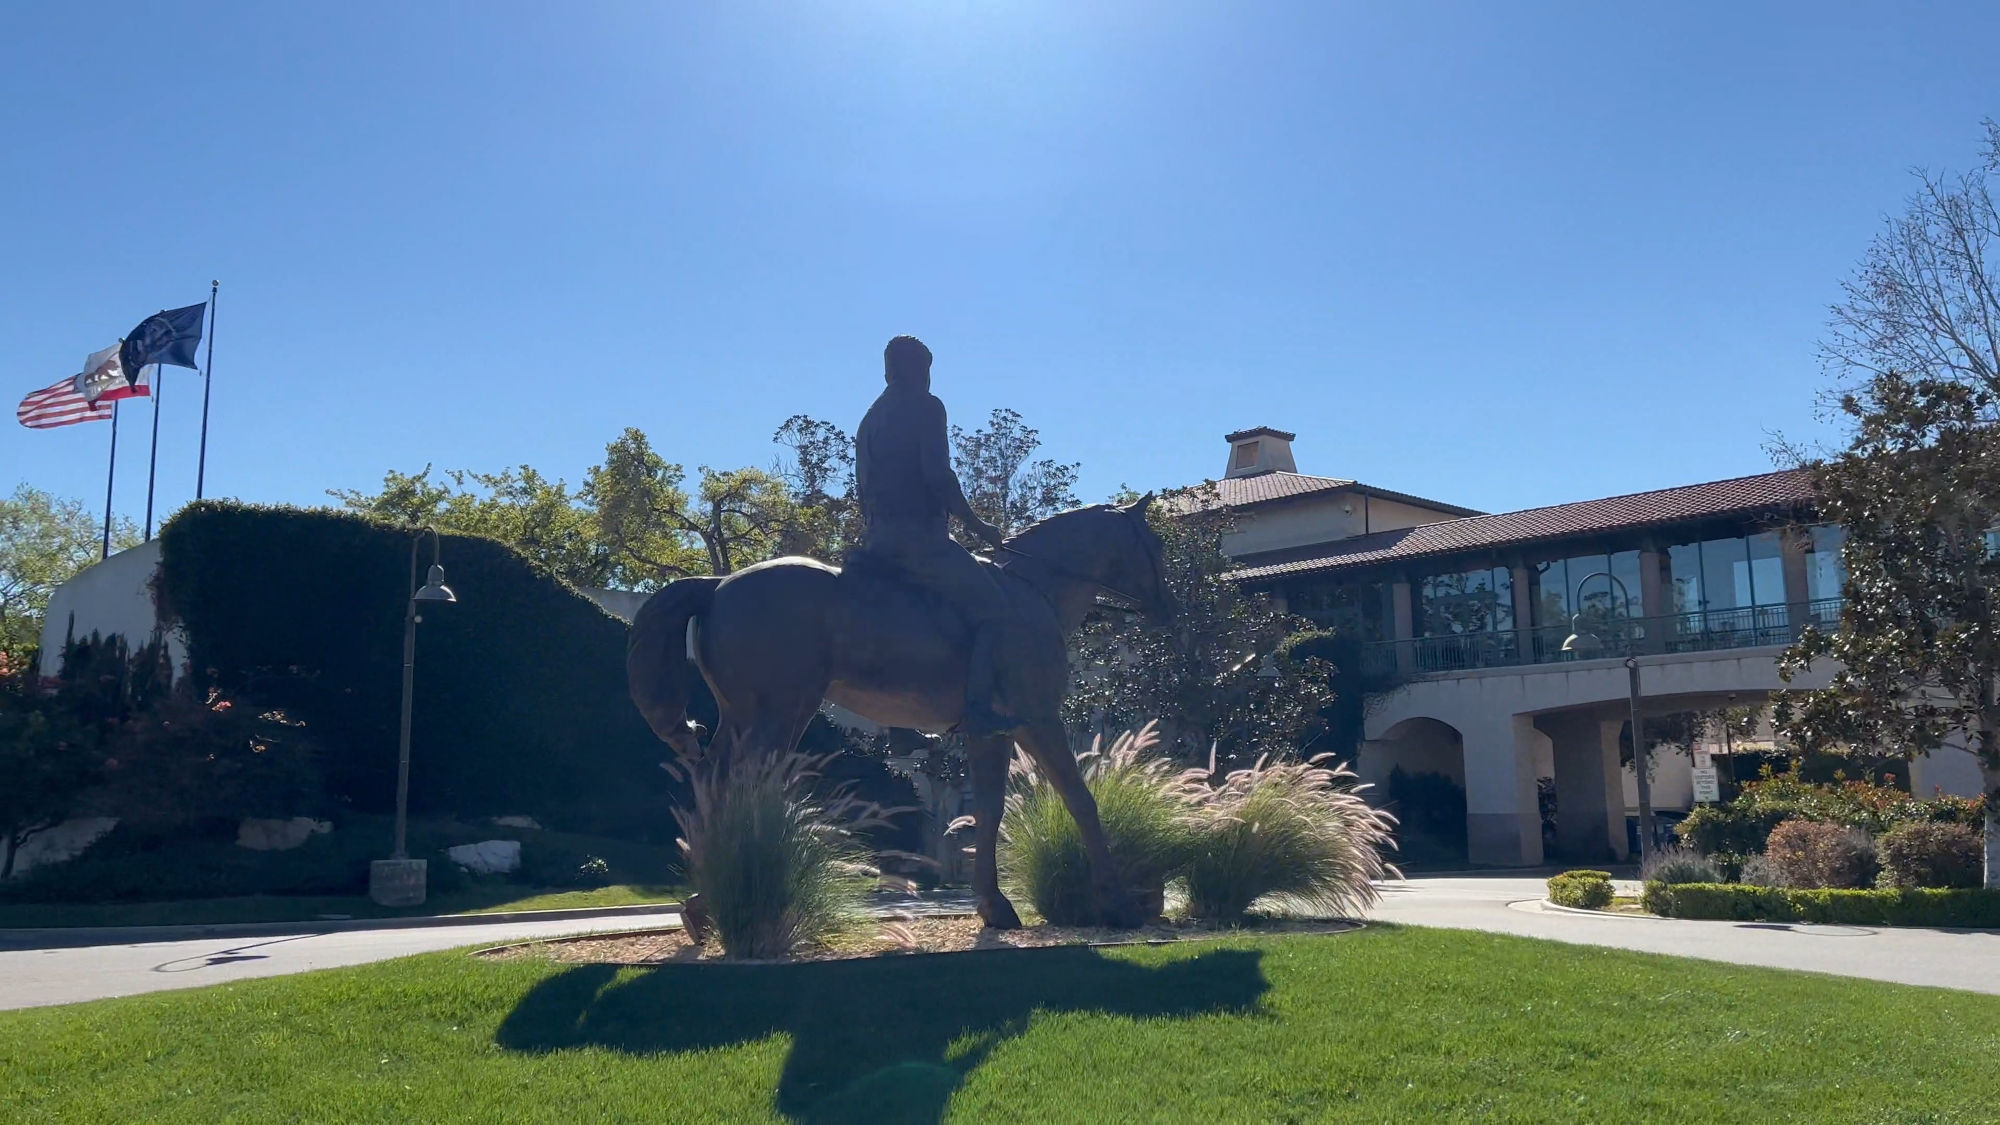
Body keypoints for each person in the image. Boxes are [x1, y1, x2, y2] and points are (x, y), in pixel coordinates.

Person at [854, 335, 1016, 737]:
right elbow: (938, 476)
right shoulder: (926, 407)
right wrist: (980, 527)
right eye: (926, 369)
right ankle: (978, 709)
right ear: (915, 369)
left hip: (876, 542)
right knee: (994, 609)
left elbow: (861, 487)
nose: (928, 378)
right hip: (919, 542)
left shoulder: (870, 418)